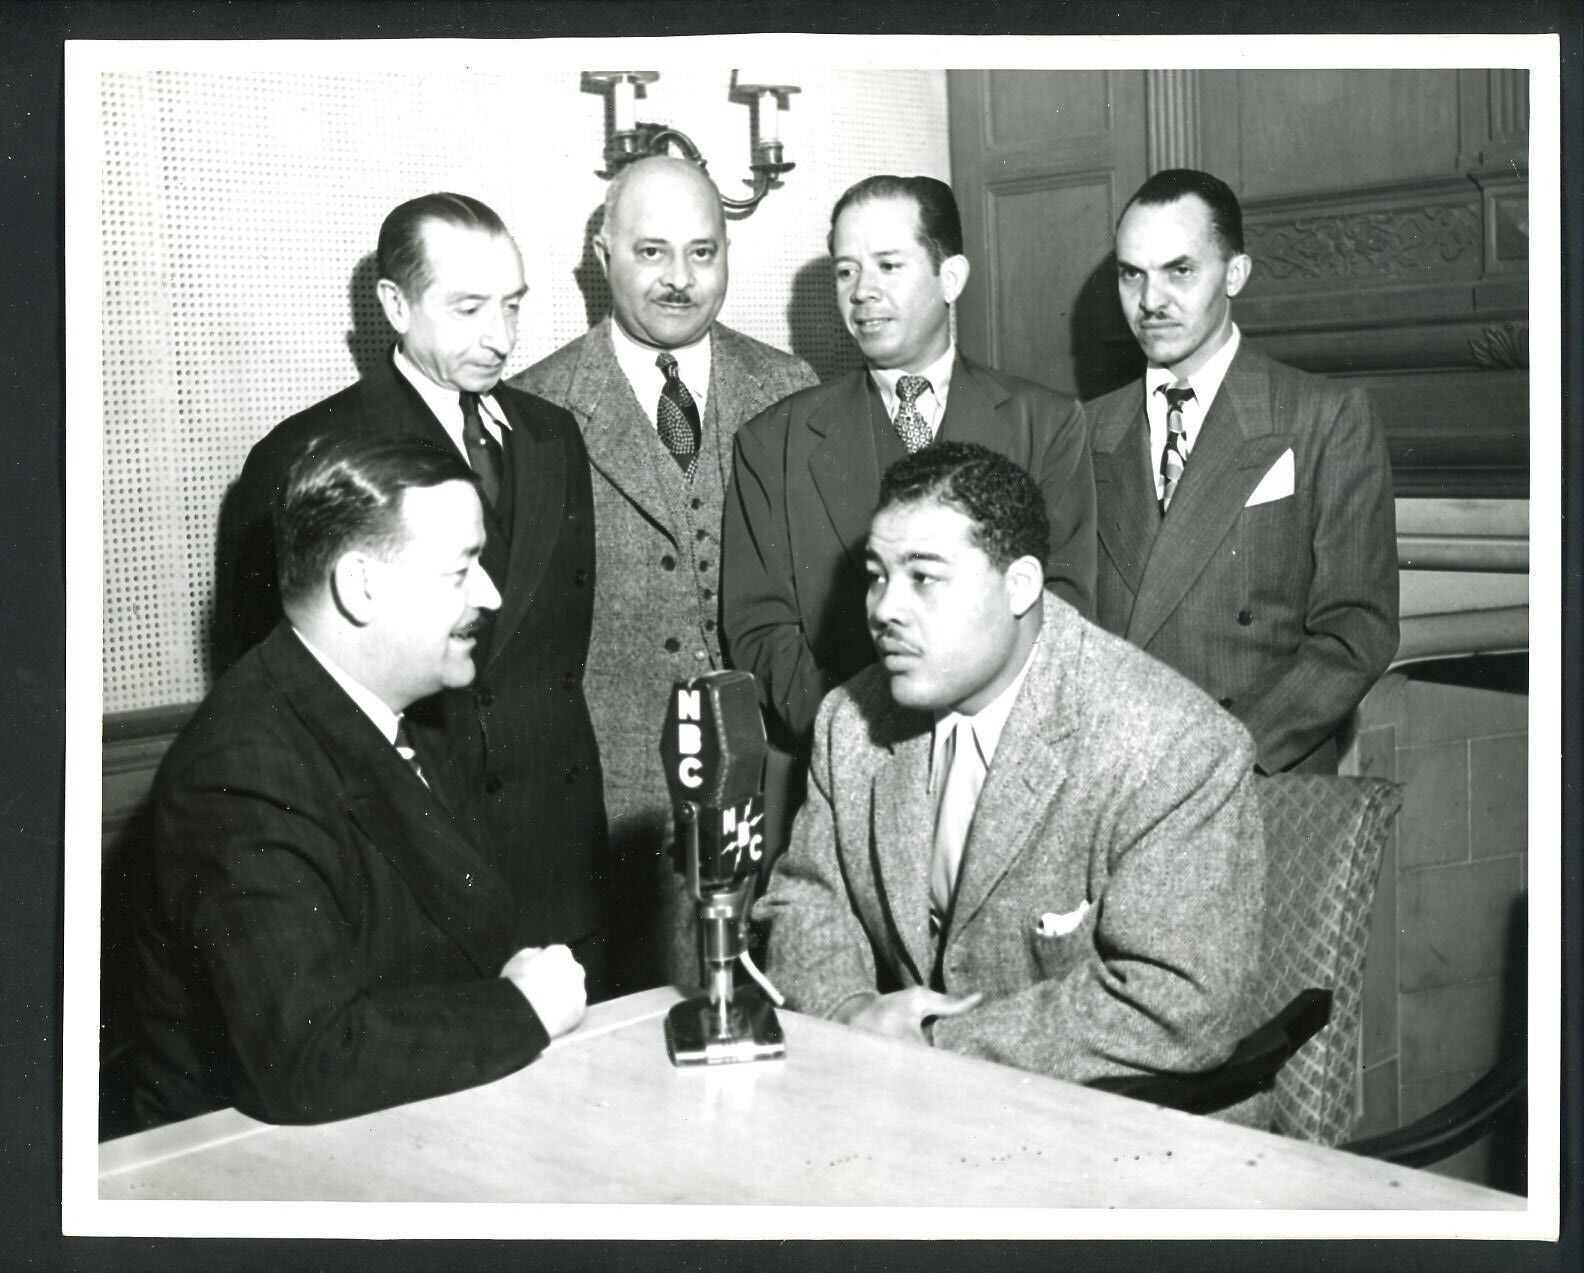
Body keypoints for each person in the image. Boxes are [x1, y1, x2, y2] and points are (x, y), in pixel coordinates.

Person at [757, 442, 1263, 1087]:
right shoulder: (850, 720)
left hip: (1127, 1123)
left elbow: (1179, 1004)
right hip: (913, 1109)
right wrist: (850, 1011)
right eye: (877, 575)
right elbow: (807, 899)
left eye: (923, 576)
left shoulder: (1172, 744)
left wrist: (935, 1042)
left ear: (1020, 586)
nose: (883, 608)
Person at [133, 433, 588, 1128]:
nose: (490, 594)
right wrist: (519, 1009)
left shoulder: (423, 711)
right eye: (462, 569)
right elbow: (314, 1056)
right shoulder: (239, 772)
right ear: (359, 586)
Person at [216, 193, 612, 987]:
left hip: (559, 858)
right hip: (416, 867)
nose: (499, 338)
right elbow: (272, 693)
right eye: (467, 308)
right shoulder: (309, 455)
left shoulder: (551, 434)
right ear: (394, 305)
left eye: (512, 306)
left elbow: (556, 655)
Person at [510, 156, 816, 988]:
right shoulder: (534, 410)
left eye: (703, 252)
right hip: (614, 818)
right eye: (652, 253)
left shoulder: (792, 389)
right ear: (602, 253)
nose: (680, 280)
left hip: (778, 806)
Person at [723, 174, 1096, 761]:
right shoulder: (774, 441)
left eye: (888, 266)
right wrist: (854, 740)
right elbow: (760, 630)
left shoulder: (1045, 425)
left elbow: (1064, 608)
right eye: (846, 271)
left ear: (950, 278)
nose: (862, 292)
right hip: (842, 760)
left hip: (1002, 760)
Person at [1090, 168, 1399, 775]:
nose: (1151, 302)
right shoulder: (1084, 430)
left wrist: (1227, 752)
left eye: (1180, 271)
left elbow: (1356, 630)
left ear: (1235, 274)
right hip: (1118, 778)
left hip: (1259, 777)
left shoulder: (1325, 418)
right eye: (1133, 274)